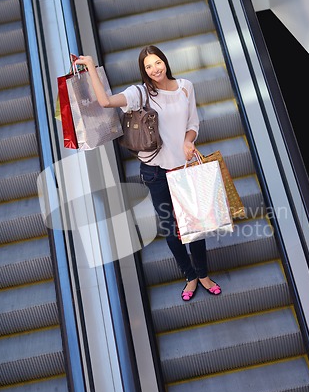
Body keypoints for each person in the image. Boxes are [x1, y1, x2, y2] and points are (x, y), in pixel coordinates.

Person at [75, 46, 221, 301]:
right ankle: (190, 276)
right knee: (170, 228)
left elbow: (193, 123)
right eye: (148, 67)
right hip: (156, 172)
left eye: (157, 63)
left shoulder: (185, 86)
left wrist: (189, 141)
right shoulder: (140, 93)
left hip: (184, 168)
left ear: (165, 61)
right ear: (143, 71)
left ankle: (203, 274)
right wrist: (89, 66)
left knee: (195, 227)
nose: (155, 70)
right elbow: (106, 102)